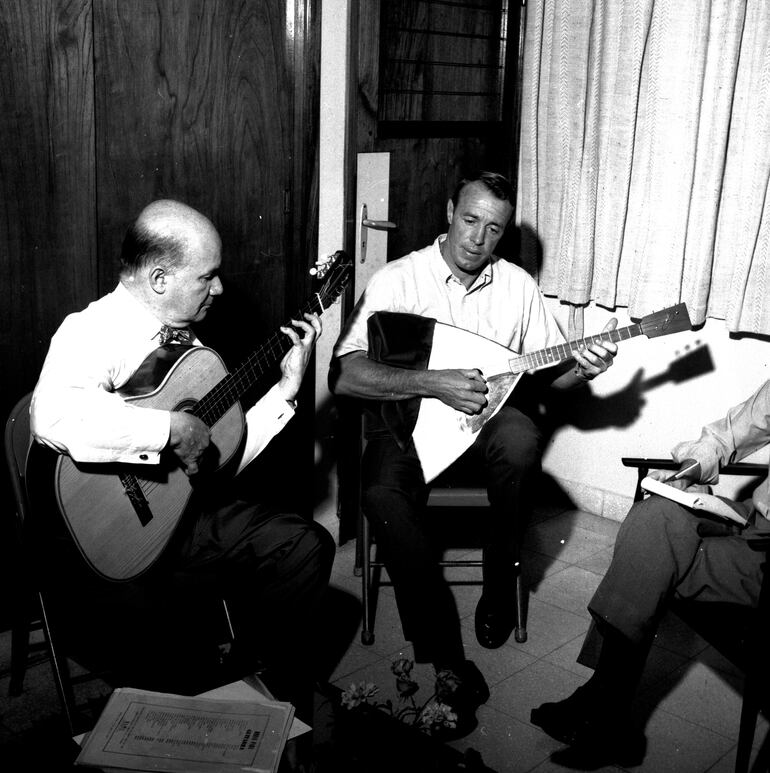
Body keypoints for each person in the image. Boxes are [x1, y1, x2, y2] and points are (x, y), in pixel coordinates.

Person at [328, 170, 617, 736]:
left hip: (485, 418)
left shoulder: (516, 286)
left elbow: (546, 380)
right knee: (381, 489)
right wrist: (432, 383)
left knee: (521, 438)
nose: (477, 239)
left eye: (493, 229)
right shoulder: (399, 278)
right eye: (469, 220)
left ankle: (497, 586)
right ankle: (448, 662)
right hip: (410, 418)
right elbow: (345, 375)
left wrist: (581, 372)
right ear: (448, 211)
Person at [30, 199, 334, 713]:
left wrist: (284, 391)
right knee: (176, 677)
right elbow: (51, 417)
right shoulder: (92, 331)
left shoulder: (186, 341)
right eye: (207, 277)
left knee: (304, 544)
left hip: (177, 521)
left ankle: (260, 694)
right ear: (160, 278)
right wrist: (167, 428)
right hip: (102, 545)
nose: (218, 289)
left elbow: (220, 457)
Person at [531, 380, 770, 768]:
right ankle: (608, 705)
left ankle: (603, 709)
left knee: (656, 559)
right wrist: (689, 471)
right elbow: (730, 432)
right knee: (656, 517)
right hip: (753, 525)